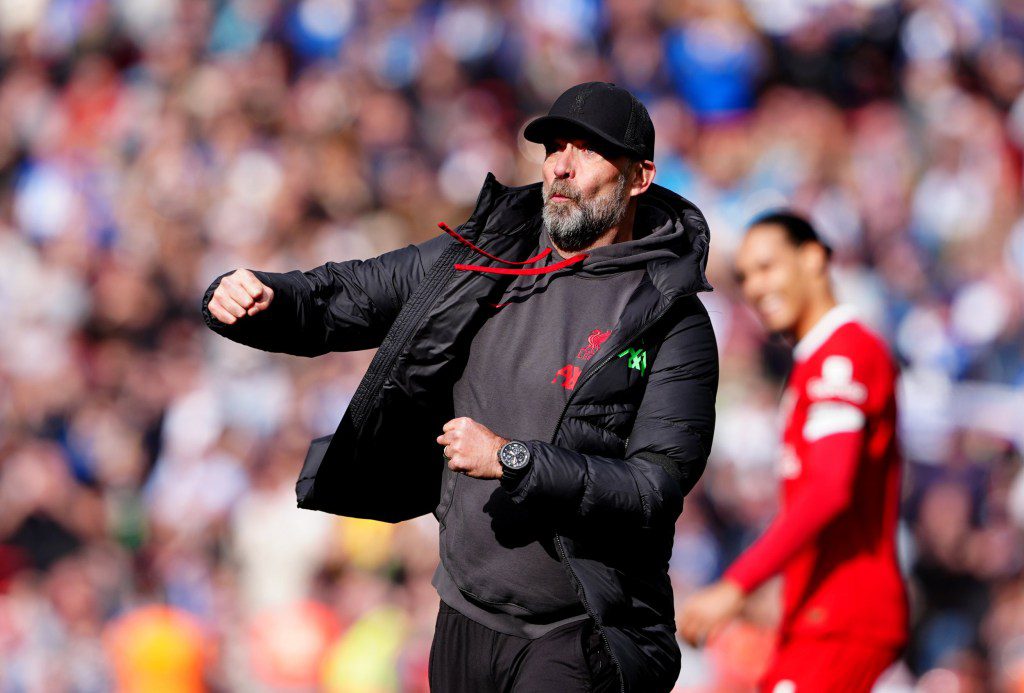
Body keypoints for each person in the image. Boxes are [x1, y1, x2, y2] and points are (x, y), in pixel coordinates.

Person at [201, 81, 718, 692]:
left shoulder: (671, 318)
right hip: (466, 614)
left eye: (588, 150)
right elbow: (351, 294)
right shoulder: (482, 255)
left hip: (584, 629)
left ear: (639, 177)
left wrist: (513, 460)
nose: (562, 165)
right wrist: (254, 298)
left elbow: (652, 488)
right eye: (554, 147)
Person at [677, 211, 908, 691]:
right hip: (813, 619)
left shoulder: (843, 355)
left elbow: (829, 490)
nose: (756, 288)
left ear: (814, 258)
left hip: (844, 619)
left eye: (768, 267)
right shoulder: (813, 363)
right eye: (744, 277)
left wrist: (736, 586)